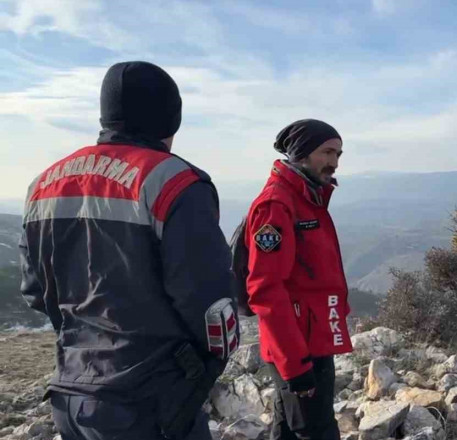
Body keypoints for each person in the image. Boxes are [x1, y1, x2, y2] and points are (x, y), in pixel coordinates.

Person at [19, 61, 238, 440]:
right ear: (172, 119)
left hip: (71, 392)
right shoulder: (175, 182)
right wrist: (207, 363)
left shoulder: (43, 185)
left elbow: (35, 291)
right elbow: (210, 306)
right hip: (151, 402)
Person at [244, 119, 353, 440]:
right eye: (327, 152)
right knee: (317, 431)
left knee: (289, 428)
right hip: (299, 346)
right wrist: (295, 365)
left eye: (339, 154)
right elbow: (265, 289)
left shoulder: (307, 198)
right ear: (302, 153)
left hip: (312, 337)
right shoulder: (278, 205)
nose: (334, 162)